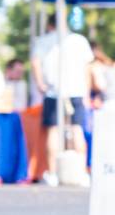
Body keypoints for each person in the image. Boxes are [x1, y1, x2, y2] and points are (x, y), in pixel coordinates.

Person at [30, 17, 95, 182]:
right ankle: (81, 173)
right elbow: (88, 68)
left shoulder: (43, 41)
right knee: (77, 129)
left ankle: (53, 173)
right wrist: (86, 92)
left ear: (50, 25)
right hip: (76, 90)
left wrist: (40, 83)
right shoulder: (80, 40)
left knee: (53, 131)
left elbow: (35, 63)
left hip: (54, 91)